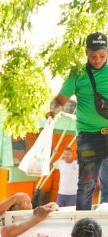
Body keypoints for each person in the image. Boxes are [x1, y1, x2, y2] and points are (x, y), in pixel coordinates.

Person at [47, 32, 108, 210]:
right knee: (86, 183)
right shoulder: (78, 74)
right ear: (86, 53)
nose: (97, 60)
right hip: (89, 138)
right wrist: (53, 111)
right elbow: (59, 101)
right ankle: (83, 230)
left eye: (102, 56)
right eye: (93, 56)